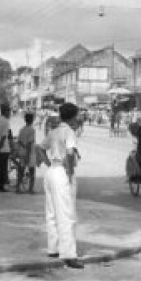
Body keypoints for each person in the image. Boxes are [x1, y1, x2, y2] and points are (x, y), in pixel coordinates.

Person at [42, 102, 83, 269]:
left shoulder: (54, 131)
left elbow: (40, 148)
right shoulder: (69, 132)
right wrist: (70, 172)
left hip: (51, 170)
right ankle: (69, 254)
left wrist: (48, 162)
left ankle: (53, 248)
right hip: (62, 173)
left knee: (51, 212)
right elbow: (70, 153)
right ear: (73, 117)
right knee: (67, 214)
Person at [17, 113, 38, 194]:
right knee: (32, 171)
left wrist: (23, 148)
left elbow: (19, 141)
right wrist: (28, 154)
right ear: (32, 120)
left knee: (21, 170)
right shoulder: (32, 130)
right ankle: (30, 189)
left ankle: (18, 188)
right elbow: (30, 142)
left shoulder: (22, 129)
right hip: (30, 152)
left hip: (22, 151)